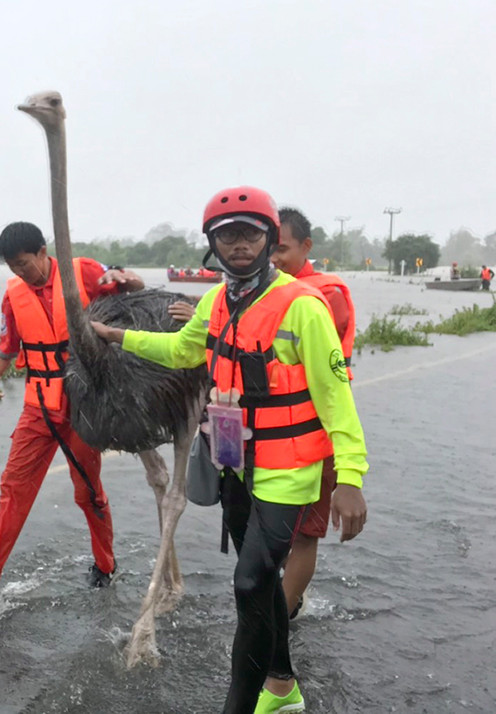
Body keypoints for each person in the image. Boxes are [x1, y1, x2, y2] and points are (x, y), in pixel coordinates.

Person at [91, 187, 368, 714]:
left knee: (248, 582)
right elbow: (181, 350)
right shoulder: (219, 301)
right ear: (212, 244)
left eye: (250, 233)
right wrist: (117, 337)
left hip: (290, 466)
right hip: (235, 461)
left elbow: (338, 398)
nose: (239, 244)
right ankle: (284, 686)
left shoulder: (303, 307)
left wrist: (351, 477)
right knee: (260, 584)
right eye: (227, 235)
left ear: (268, 240)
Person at [0, 221, 144, 596]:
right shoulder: (14, 293)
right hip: (40, 408)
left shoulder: (83, 271)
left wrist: (133, 282)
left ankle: (105, 565)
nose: (19, 272)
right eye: (11, 266)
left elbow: (130, 292)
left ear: (43, 252)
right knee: (14, 487)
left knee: (87, 492)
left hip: (84, 405)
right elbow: (7, 345)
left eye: (23, 263)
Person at [273, 207, 356, 621]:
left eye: (282, 249)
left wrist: (350, 476)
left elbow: (331, 382)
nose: (272, 258)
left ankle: (277, 625)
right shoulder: (263, 291)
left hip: (314, 437)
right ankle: (284, 604)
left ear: (306, 247)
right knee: (276, 534)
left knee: (304, 536)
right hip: (272, 439)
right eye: (266, 247)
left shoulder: (326, 296)